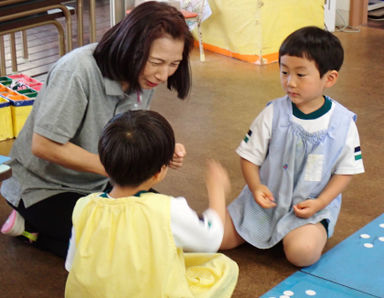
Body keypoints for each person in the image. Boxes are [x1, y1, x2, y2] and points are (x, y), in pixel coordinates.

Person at [0, 1, 194, 258]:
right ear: (131, 47)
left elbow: (130, 134)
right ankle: (31, 226)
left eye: (173, 64)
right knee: (118, 248)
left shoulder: (142, 77)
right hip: (46, 188)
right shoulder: (77, 71)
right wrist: (116, 167)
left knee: (165, 226)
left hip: (104, 182)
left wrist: (162, 150)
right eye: (156, 61)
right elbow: (43, 145)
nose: (163, 75)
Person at [220, 26, 365, 267]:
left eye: (300, 74)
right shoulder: (273, 112)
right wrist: (256, 187)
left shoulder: (343, 123)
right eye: (284, 71)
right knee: (215, 236)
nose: (290, 82)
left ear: (329, 78)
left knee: (302, 254)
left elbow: (345, 171)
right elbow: (249, 157)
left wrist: (320, 203)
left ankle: (304, 233)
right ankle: (258, 229)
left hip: (308, 210)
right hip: (263, 204)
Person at [64, 110, 238, 297]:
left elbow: (72, 265)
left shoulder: (84, 205)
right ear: (158, 173)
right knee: (223, 266)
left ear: (106, 164)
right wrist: (217, 191)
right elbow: (211, 239)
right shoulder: (167, 209)